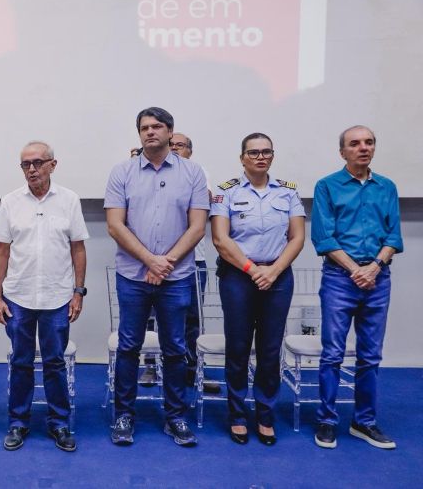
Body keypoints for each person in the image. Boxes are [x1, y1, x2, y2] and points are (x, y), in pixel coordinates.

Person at [105, 107, 209, 446]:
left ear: (170, 131)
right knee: (128, 347)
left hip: (176, 277)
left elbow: (197, 226)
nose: (150, 132)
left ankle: (175, 417)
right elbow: (115, 225)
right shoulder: (122, 172)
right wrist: (151, 261)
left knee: (175, 348)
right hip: (133, 276)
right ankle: (124, 416)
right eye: (144, 128)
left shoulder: (192, 172)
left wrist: (166, 263)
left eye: (157, 126)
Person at [0, 141, 89, 452]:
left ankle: (59, 423)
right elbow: (2, 251)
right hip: (18, 296)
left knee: (55, 362)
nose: (31, 169)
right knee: (20, 361)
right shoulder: (10, 202)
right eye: (26, 164)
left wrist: (78, 292)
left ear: (52, 165)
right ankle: (18, 422)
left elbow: (78, 249)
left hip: (57, 296)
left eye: (37, 163)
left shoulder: (69, 200)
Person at [311, 125, 403, 450]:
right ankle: (327, 420)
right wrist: (356, 270)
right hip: (340, 279)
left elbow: (393, 235)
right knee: (332, 354)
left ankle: (364, 422)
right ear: (343, 152)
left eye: (369, 142)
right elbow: (323, 237)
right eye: (355, 143)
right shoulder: (327, 186)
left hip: (378, 279)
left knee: (370, 355)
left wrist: (374, 267)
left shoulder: (387, 187)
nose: (363, 148)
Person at [210, 133, 305, 445]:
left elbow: (297, 238)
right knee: (238, 348)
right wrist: (253, 270)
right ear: (242, 158)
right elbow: (221, 239)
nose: (260, 157)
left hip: (277, 277)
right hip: (239, 276)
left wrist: (273, 271)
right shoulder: (226, 192)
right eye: (253, 153)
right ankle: (237, 416)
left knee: (269, 349)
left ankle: (265, 415)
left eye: (266, 152)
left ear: (272, 156)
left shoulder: (288, 192)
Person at [135, 133, 220, 395]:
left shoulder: (197, 172)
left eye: (179, 146)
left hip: (192, 261)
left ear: (190, 152)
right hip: (151, 261)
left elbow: (204, 201)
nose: (173, 149)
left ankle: (192, 370)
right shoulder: (143, 171)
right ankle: (151, 366)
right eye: (170, 145)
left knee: (191, 319)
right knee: (151, 318)